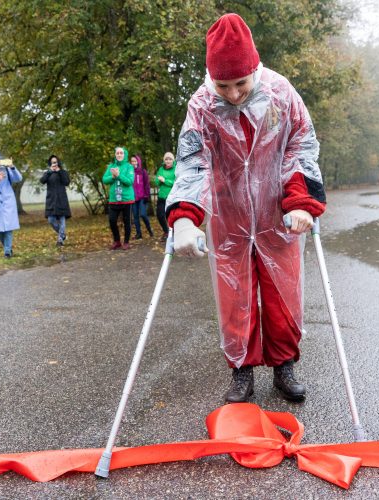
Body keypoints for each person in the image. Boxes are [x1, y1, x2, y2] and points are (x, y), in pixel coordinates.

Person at [166, 14, 326, 403]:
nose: (234, 94)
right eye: (224, 85)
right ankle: (241, 371)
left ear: (254, 68)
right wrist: (185, 217)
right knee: (233, 294)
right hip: (228, 214)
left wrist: (301, 200)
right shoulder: (202, 105)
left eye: (241, 83)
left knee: (283, 293)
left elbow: (300, 144)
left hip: (279, 213)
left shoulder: (281, 93)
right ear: (211, 78)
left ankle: (284, 366)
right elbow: (192, 161)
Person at [102, 146, 135, 250]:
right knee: (112, 221)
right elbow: (104, 179)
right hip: (114, 199)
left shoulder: (129, 167)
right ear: (115, 155)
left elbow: (130, 181)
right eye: (117, 153)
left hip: (126, 199)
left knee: (127, 222)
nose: (119, 155)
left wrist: (118, 175)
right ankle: (117, 241)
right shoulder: (111, 166)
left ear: (124, 155)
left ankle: (126, 242)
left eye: (121, 153)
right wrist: (112, 176)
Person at [40, 155, 71, 246]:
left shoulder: (63, 172)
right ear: (50, 163)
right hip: (51, 200)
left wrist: (59, 172)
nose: (54, 164)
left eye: (56, 162)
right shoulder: (48, 173)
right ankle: (62, 234)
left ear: (58, 163)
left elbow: (67, 182)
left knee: (62, 220)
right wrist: (49, 172)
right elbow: (42, 181)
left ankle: (60, 240)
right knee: (51, 220)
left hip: (61, 199)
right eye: (53, 162)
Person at [130, 154, 153, 239]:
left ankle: (150, 229)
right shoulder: (130, 172)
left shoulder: (143, 171)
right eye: (132, 161)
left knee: (143, 214)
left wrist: (147, 196)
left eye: (135, 161)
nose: (133, 163)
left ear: (138, 162)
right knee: (135, 216)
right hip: (133, 198)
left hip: (142, 197)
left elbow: (147, 184)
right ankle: (139, 234)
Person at [155, 152, 176, 241]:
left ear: (173, 160)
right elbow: (156, 182)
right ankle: (166, 231)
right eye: (166, 159)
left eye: (170, 159)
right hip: (162, 197)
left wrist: (165, 180)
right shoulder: (161, 169)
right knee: (160, 215)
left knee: (171, 216)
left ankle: (174, 233)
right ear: (164, 160)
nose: (168, 161)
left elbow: (176, 183)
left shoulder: (176, 169)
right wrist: (159, 181)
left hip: (172, 197)